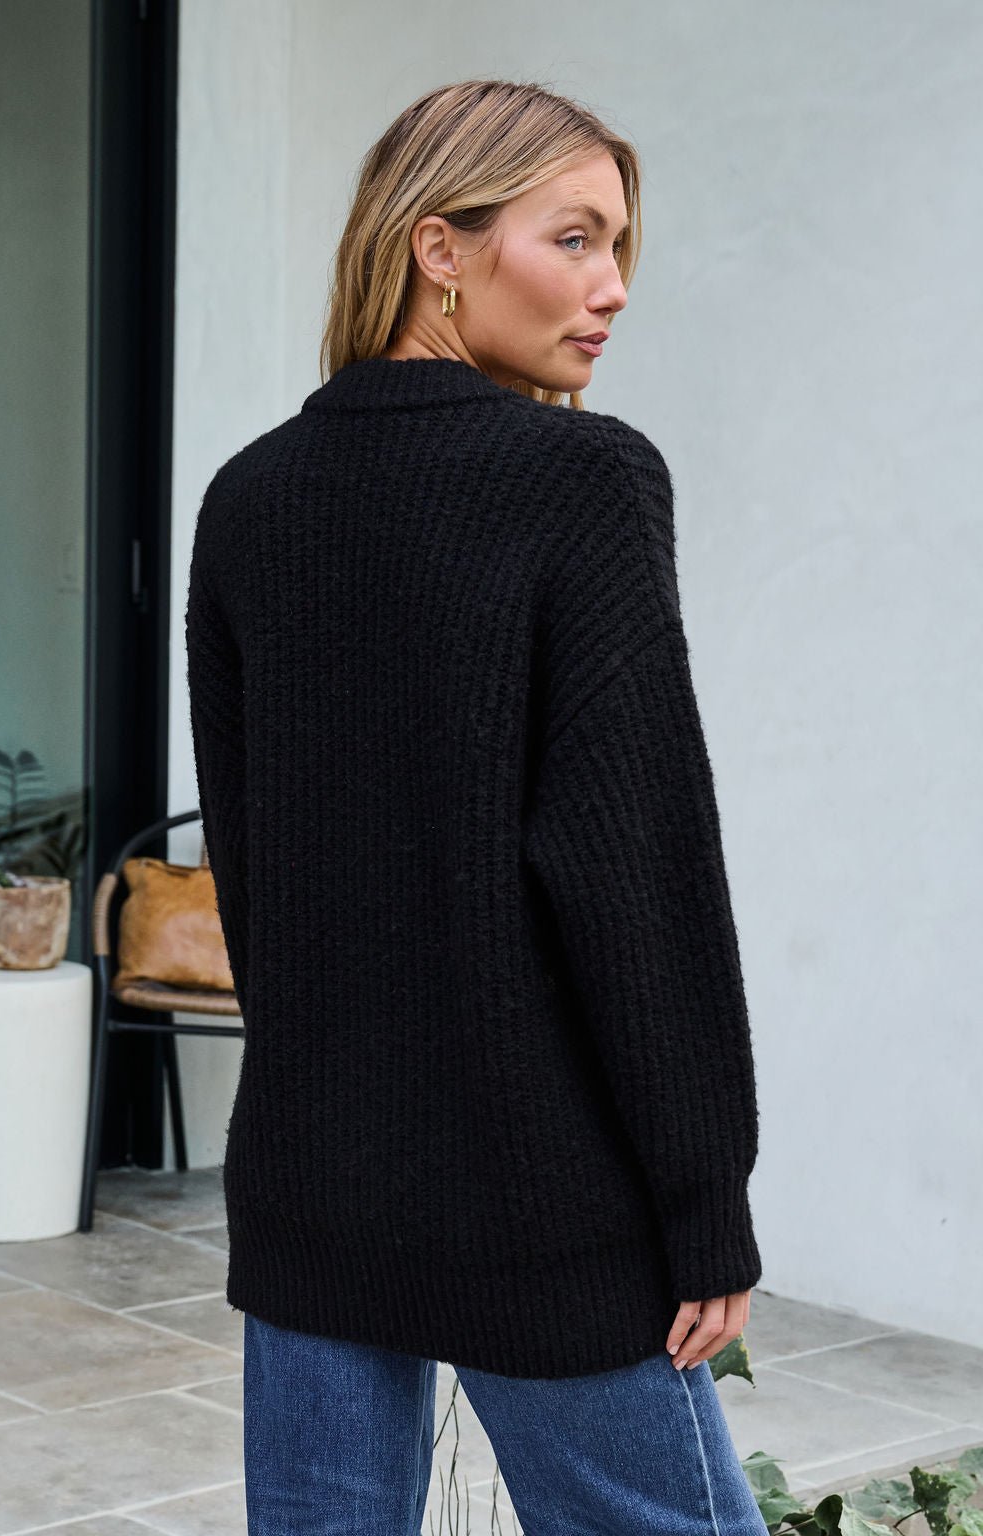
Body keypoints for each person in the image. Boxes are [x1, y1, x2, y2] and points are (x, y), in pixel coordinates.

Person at [186, 76, 767, 1535]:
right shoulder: (584, 480)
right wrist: (704, 1196)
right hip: (538, 1194)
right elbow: (640, 875)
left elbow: (256, 880)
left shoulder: (249, 499)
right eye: (573, 239)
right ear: (438, 248)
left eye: (621, 245)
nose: (614, 287)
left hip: (312, 1173)